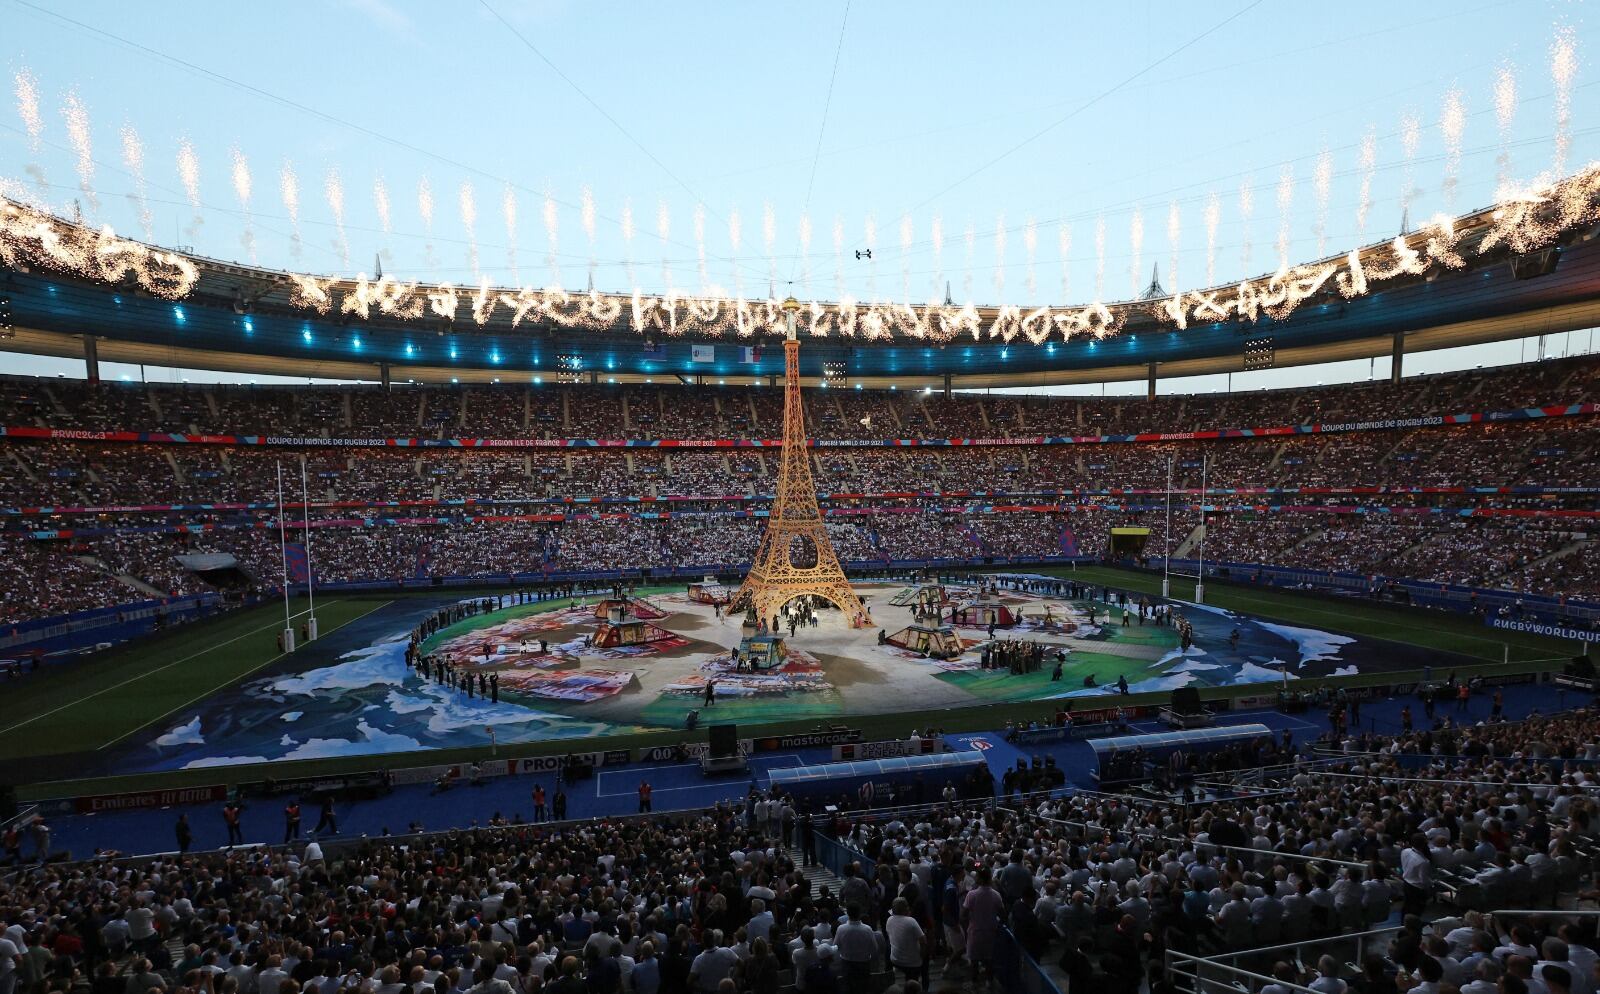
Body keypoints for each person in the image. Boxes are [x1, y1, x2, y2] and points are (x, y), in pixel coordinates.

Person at [885, 897, 928, 992]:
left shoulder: (889, 920)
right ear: (906, 908)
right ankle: (923, 988)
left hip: (895, 959)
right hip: (912, 963)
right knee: (925, 962)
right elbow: (923, 941)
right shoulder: (911, 921)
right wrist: (922, 955)